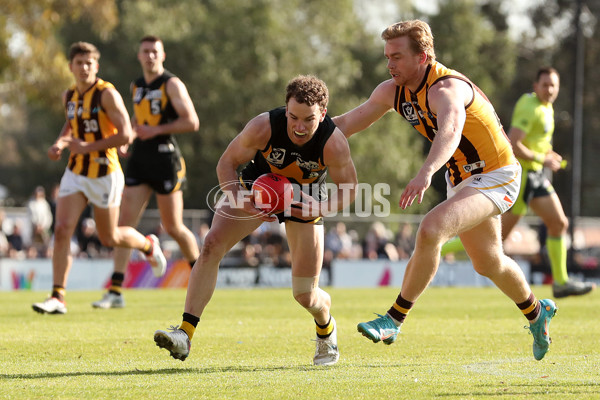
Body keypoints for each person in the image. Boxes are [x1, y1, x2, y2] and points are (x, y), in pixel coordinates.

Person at [333, 20, 557, 361]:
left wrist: (425, 172)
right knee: (488, 263)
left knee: (431, 229)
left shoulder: (446, 88)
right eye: (386, 57)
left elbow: (450, 131)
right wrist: (298, 133)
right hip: (463, 179)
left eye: (397, 56)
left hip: (497, 175)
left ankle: (393, 318)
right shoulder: (392, 90)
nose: (389, 64)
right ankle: (536, 312)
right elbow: (346, 124)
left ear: (423, 57)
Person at [153, 75, 357, 366]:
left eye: (308, 120)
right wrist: (239, 197)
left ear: (322, 114)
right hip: (258, 185)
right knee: (211, 245)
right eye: (293, 117)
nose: (299, 127)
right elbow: (226, 163)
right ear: (285, 110)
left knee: (305, 295)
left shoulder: (333, 143)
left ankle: (326, 329)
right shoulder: (264, 126)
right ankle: (185, 334)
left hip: (306, 197)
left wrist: (319, 207)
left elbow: (349, 189)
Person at [32, 41, 166, 315]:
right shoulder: (69, 95)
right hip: (76, 170)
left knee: (109, 237)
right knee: (61, 230)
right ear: (70, 66)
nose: (83, 68)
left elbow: (126, 134)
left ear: (96, 66)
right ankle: (58, 296)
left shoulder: (107, 94)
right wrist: (61, 142)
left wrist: (88, 147)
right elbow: (72, 123)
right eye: (78, 63)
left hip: (105, 172)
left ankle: (148, 245)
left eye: (88, 63)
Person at [92, 35, 200, 309]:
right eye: (145, 51)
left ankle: (202, 276)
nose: (150, 56)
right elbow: (137, 117)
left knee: (174, 227)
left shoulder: (171, 84)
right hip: (140, 159)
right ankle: (115, 290)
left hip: (165, 158)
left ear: (162, 56)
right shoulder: (136, 85)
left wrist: (156, 130)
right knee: (124, 225)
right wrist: (127, 136)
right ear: (139, 56)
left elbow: (191, 121)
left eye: (155, 51)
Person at [501, 67, 595, 298]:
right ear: (535, 86)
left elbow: (535, 142)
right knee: (493, 239)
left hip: (536, 176)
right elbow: (513, 144)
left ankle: (561, 282)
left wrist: (548, 156)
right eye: (545, 85)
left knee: (559, 223)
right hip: (522, 176)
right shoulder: (530, 107)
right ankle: (439, 248)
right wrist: (543, 159)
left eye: (553, 85)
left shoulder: (547, 107)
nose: (550, 89)